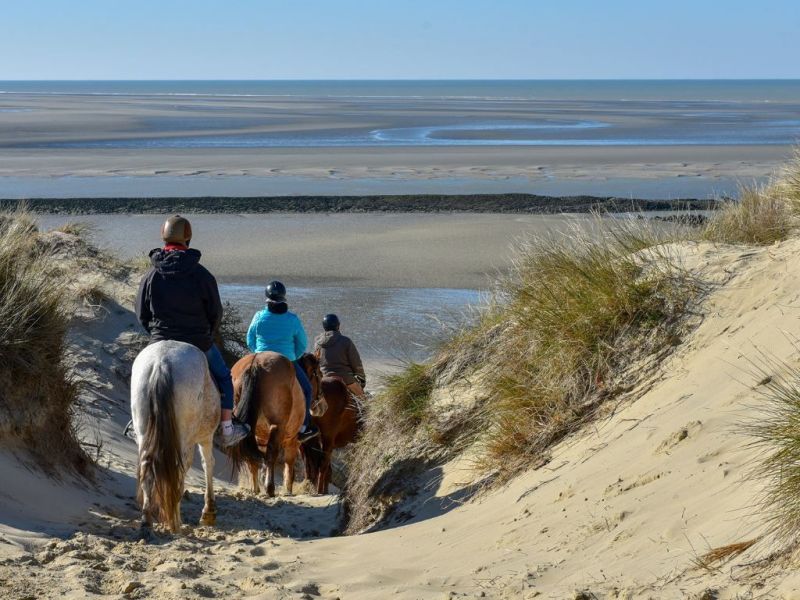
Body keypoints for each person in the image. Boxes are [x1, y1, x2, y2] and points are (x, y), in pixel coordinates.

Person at [135, 215, 250, 448]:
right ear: (188, 238)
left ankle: (135, 421)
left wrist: (156, 334)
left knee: (140, 377)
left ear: (164, 237)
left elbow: (141, 313)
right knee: (224, 378)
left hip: (160, 339)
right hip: (197, 340)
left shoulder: (150, 276)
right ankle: (227, 429)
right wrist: (207, 334)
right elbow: (215, 312)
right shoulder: (202, 275)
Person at [246, 280, 319, 442]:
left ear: (267, 298)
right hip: (287, 360)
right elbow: (302, 344)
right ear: (283, 298)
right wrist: (294, 357)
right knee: (306, 389)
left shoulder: (258, 316)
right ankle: (304, 427)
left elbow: (249, 339)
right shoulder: (292, 319)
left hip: (260, 358)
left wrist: (257, 353)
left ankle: (233, 420)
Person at [314, 314, 367, 399]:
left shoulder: (317, 343)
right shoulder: (346, 341)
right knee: (364, 402)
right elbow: (356, 363)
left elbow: (316, 361)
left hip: (324, 377)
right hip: (345, 378)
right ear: (338, 325)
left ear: (324, 327)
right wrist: (362, 380)